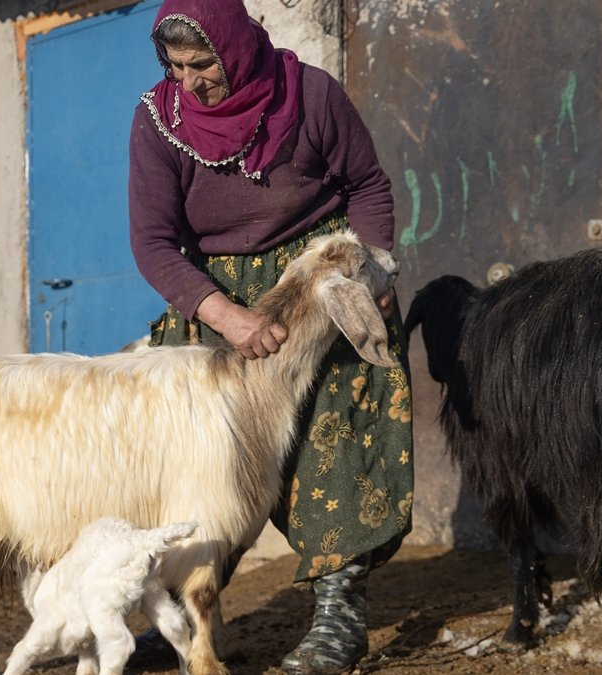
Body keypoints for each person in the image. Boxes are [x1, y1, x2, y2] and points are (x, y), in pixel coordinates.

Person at [127, 1, 414, 673]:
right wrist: (224, 314)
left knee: (332, 431)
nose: (192, 81)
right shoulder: (158, 122)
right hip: (217, 295)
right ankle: (192, 614)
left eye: (204, 64)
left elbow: (367, 184)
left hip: (318, 283)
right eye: (177, 67)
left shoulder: (310, 94)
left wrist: (367, 272)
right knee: (206, 454)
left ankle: (339, 616)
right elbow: (152, 241)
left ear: (237, 46)